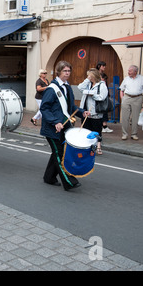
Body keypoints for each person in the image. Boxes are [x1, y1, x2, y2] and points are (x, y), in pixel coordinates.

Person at [40, 61, 90, 191]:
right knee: (59, 154)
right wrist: (54, 122)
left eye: (69, 71)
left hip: (65, 126)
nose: (67, 73)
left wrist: (81, 112)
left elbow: (71, 107)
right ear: (59, 72)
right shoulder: (52, 89)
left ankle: (49, 177)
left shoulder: (67, 87)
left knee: (58, 153)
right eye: (65, 71)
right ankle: (69, 181)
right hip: (53, 127)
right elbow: (44, 108)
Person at [78, 68, 108, 155]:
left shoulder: (101, 85)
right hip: (85, 110)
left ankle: (98, 146)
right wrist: (87, 80)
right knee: (86, 129)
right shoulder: (88, 84)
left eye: (90, 76)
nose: (89, 77)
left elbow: (102, 97)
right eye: (88, 76)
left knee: (96, 130)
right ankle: (87, 146)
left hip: (95, 111)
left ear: (94, 76)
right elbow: (80, 87)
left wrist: (92, 94)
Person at [119, 65, 143, 141]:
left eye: (130, 71)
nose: (128, 72)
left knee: (135, 117)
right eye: (128, 70)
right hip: (127, 97)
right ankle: (124, 134)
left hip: (138, 98)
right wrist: (122, 99)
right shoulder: (126, 79)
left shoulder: (142, 78)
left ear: (135, 72)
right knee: (125, 117)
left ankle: (134, 134)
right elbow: (121, 90)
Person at [96, 61, 113, 133]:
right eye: (103, 66)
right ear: (99, 66)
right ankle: (103, 126)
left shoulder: (103, 74)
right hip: (99, 94)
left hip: (104, 94)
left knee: (104, 110)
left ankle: (104, 125)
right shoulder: (96, 74)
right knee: (101, 110)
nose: (104, 68)